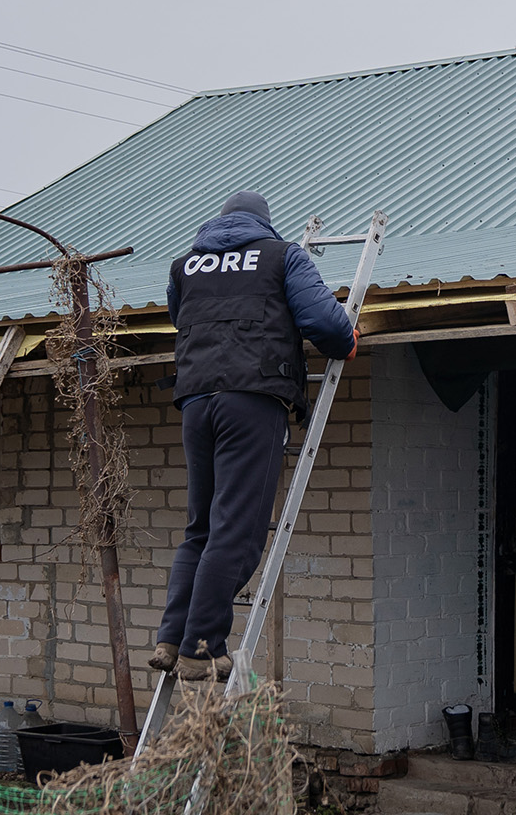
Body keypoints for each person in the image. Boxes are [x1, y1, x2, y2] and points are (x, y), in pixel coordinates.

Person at [151, 190, 357, 681]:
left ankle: (170, 639)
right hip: (252, 400)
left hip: (196, 403)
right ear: (264, 224)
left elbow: (184, 321)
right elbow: (322, 320)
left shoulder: (186, 266)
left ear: (218, 223)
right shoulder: (283, 256)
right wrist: (346, 343)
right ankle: (201, 651)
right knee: (236, 532)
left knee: (200, 528)